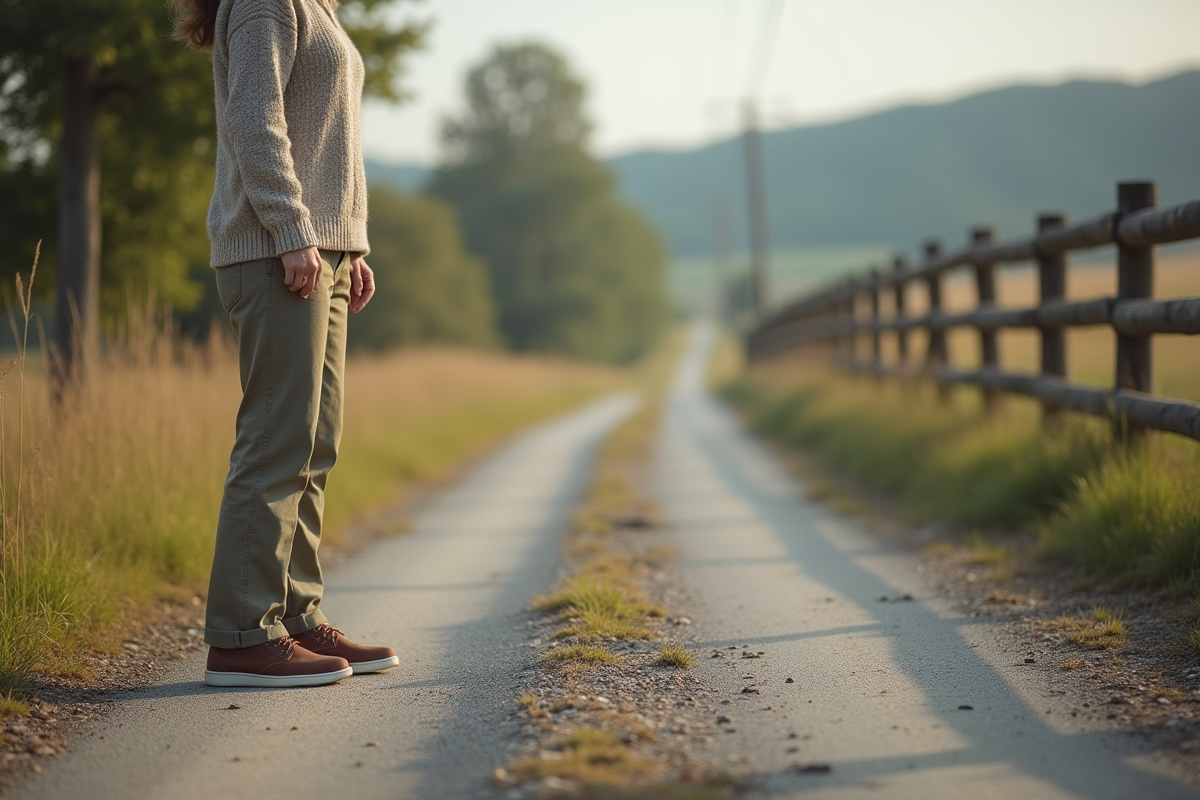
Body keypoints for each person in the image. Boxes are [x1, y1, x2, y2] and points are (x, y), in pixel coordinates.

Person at [173, 0, 399, 687]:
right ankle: (243, 635)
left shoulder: (317, 6)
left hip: (321, 250)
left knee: (313, 441)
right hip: (277, 250)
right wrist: (294, 231)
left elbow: (329, 138)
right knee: (277, 438)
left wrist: (350, 245)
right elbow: (255, 120)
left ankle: (296, 617)